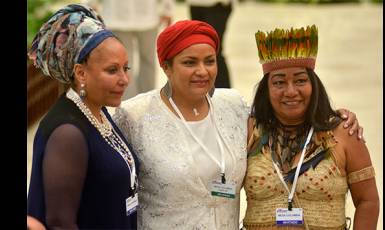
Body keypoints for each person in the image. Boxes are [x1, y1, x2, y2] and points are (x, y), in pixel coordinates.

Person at [113, 20, 362, 229]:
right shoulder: (135, 115)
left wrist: (335, 116)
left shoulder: (232, 106)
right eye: (190, 63)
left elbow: (286, 112)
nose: (202, 71)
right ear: (166, 67)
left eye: (209, 61)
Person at [242, 25, 379, 229]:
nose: (290, 91)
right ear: (266, 89)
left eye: (300, 80)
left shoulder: (344, 133)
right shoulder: (249, 129)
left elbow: (368, 201)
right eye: (279, 83)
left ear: (314, 85)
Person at [27, 4, 139, 229]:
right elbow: (60, 222)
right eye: (112, 70)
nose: (124, 79)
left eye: (125, 68)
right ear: (80, 73)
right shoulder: (68, 134)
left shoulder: (96, 109)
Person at [84, 0, 174, 99]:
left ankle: (148, 100)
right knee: (124, 63)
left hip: (145, 15)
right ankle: (129, 103)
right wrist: (89, 5)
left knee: (146, 61)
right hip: (117, 16)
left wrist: (167, 8)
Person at [186, 0, 234, 88]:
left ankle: (224, 92)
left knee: (214, 50)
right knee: (200, 48)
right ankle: (204, 90)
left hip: (217, 5)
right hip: (195, 4)